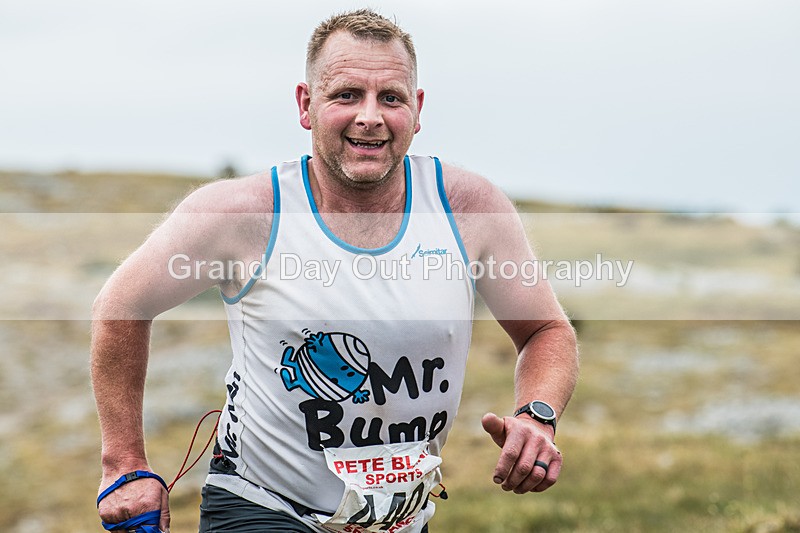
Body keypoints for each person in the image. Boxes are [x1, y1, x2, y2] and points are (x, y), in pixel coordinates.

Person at [91, 9, 578, 533]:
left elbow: (545, 331)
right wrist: (123, 463)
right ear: (306, 105)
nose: (369, 116)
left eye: (390, 98)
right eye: (346, 95)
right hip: (262, 506)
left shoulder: (467, 208)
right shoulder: (243, 214)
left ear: (416, 111)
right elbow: (122, 305)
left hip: (398, 521)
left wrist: (537, 414)